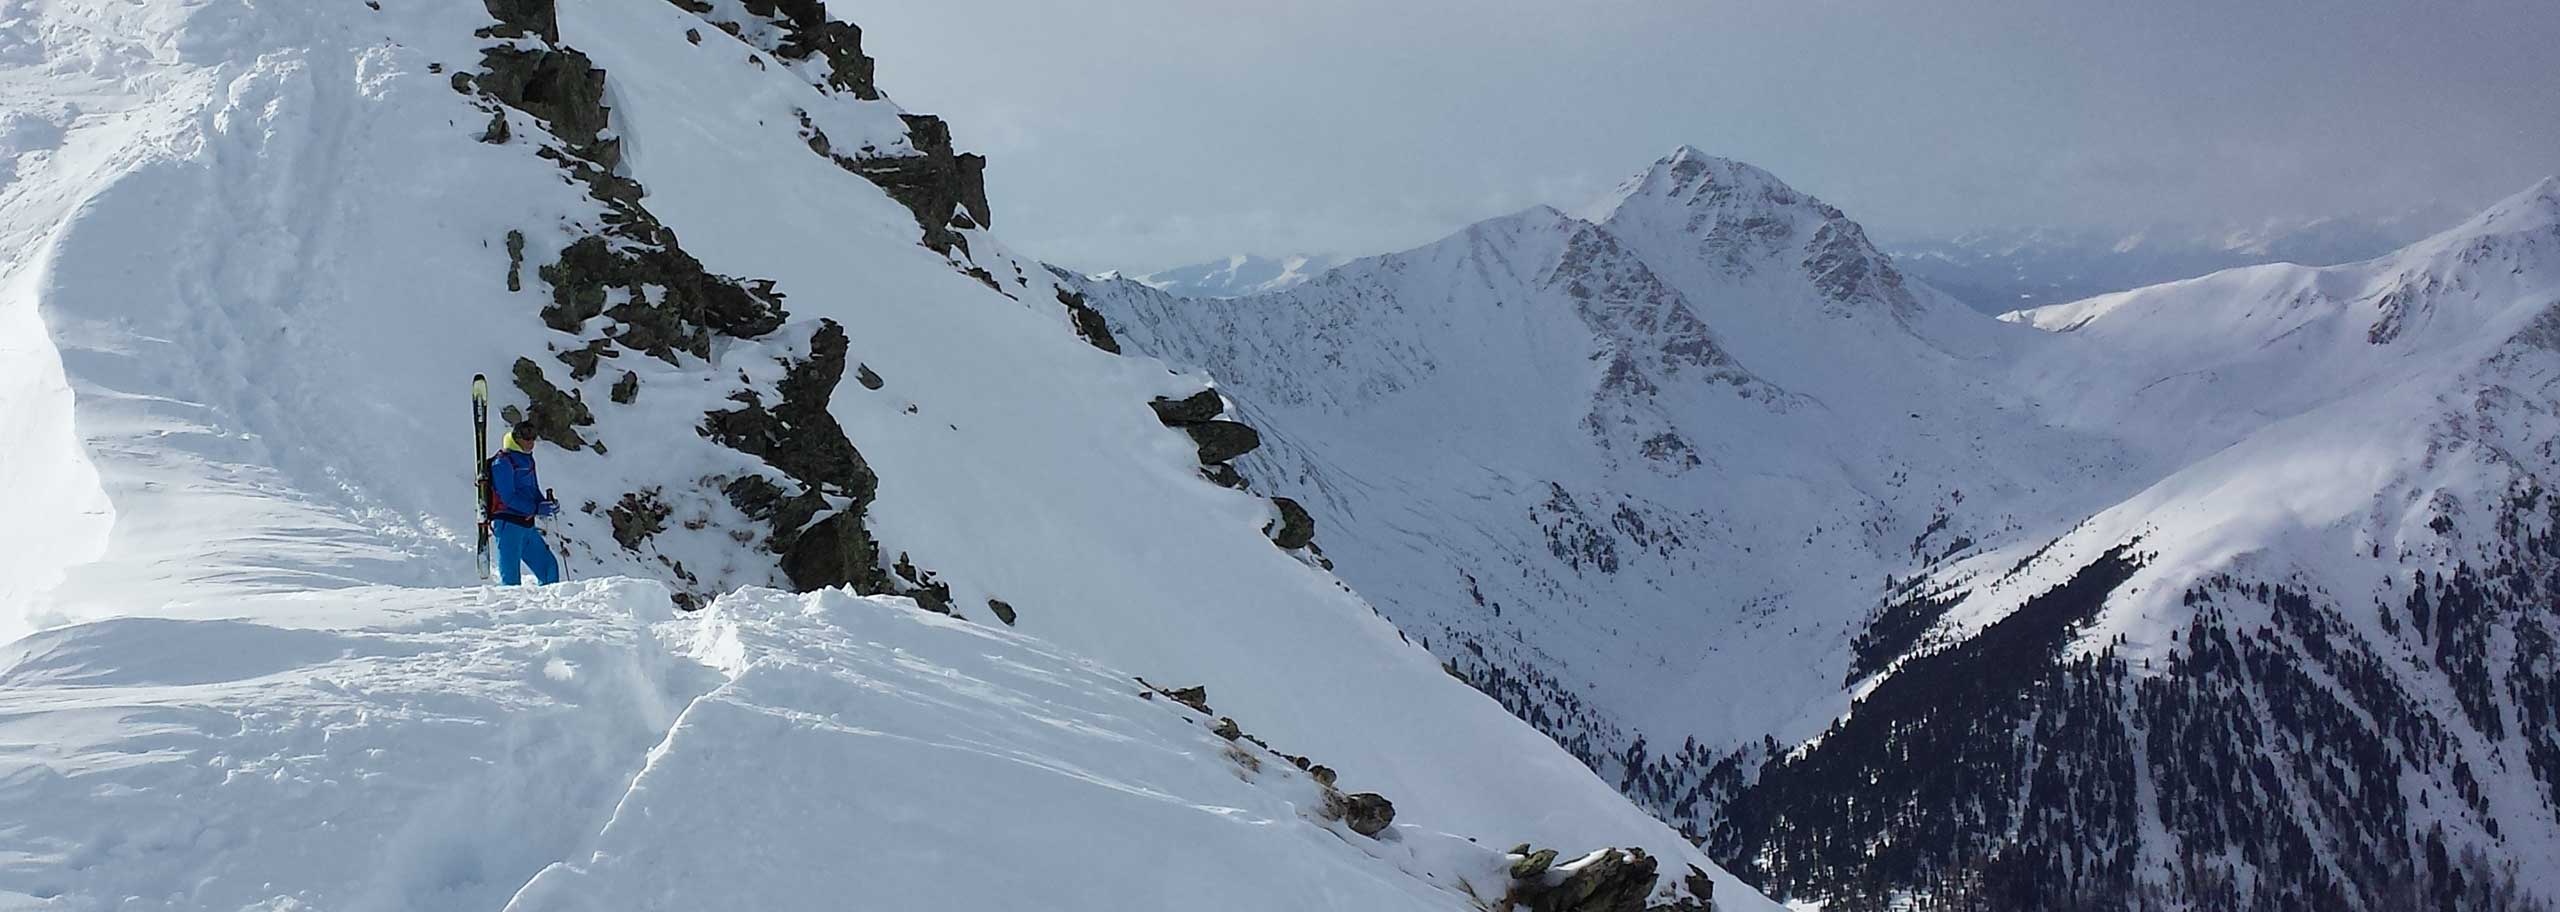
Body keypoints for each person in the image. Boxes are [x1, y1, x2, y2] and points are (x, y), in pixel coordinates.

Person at [487, 421, 562, 586]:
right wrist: (537, 508)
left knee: (549, 568)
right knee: (511, 580)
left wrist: (545, 503)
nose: (531, 442)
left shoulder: (527, 460)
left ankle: (552, 610)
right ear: (516, 438)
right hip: (508, 525)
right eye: (526, 437)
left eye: (533, 437)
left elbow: (532, 490)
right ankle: (512, 611)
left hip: (527, 525)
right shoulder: (502, 463)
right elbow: (508, 497)